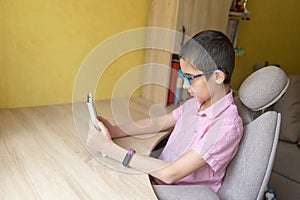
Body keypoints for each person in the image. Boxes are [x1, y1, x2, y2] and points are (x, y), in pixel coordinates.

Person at [86, 30, 243, 193]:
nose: (184, 85)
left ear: (217, 77)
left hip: (177, 191)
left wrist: (108, 148)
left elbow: (171, 173)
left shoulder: (226, 127)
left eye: (190, 78)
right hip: (159, 174)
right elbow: (159, 122)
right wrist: (115, 130)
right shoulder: (196, 103)